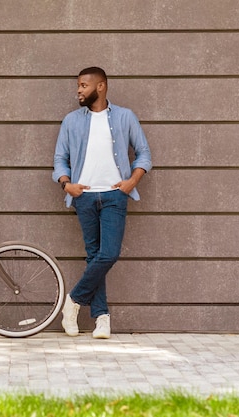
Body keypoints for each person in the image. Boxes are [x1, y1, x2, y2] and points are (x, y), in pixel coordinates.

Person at [52, 67, 152, 338]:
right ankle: (102, 318)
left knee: (108, 254)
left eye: (84, 85)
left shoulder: (124, 117)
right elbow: (60, 158)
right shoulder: (72, 121)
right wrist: (66, 184)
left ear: (101, 86)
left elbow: (143, 153)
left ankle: (72, 301)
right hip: (83, 196)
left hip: (113, 196)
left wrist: (132, 181)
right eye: (78, 85)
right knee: (94, 256)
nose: (79, 90)